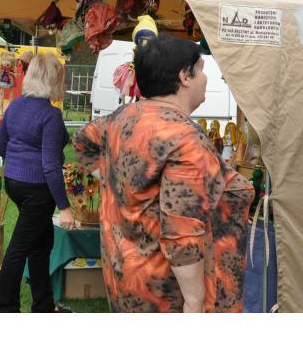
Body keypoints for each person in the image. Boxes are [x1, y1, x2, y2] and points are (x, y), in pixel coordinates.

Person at [74, 35, 254, 313]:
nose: (206, 79)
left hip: (123, 281)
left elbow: (82, 141)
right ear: (185, 76)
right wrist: (194, 302)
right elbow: (181, 234)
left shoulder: (120, 118)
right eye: (201, 70)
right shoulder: (184, 139)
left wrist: (116, 181)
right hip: (166, 297)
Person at [0, 52, 75, 313]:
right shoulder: (50, 115)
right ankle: (7, 310)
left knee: (41, 245)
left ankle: (44, 306)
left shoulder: (16, 105)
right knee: (19, 250)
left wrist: (19, 160)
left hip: (14, 183)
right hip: (37, 190)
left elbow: (0, 145)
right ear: (52, 80)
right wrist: (65, 208)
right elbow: (51, 166)